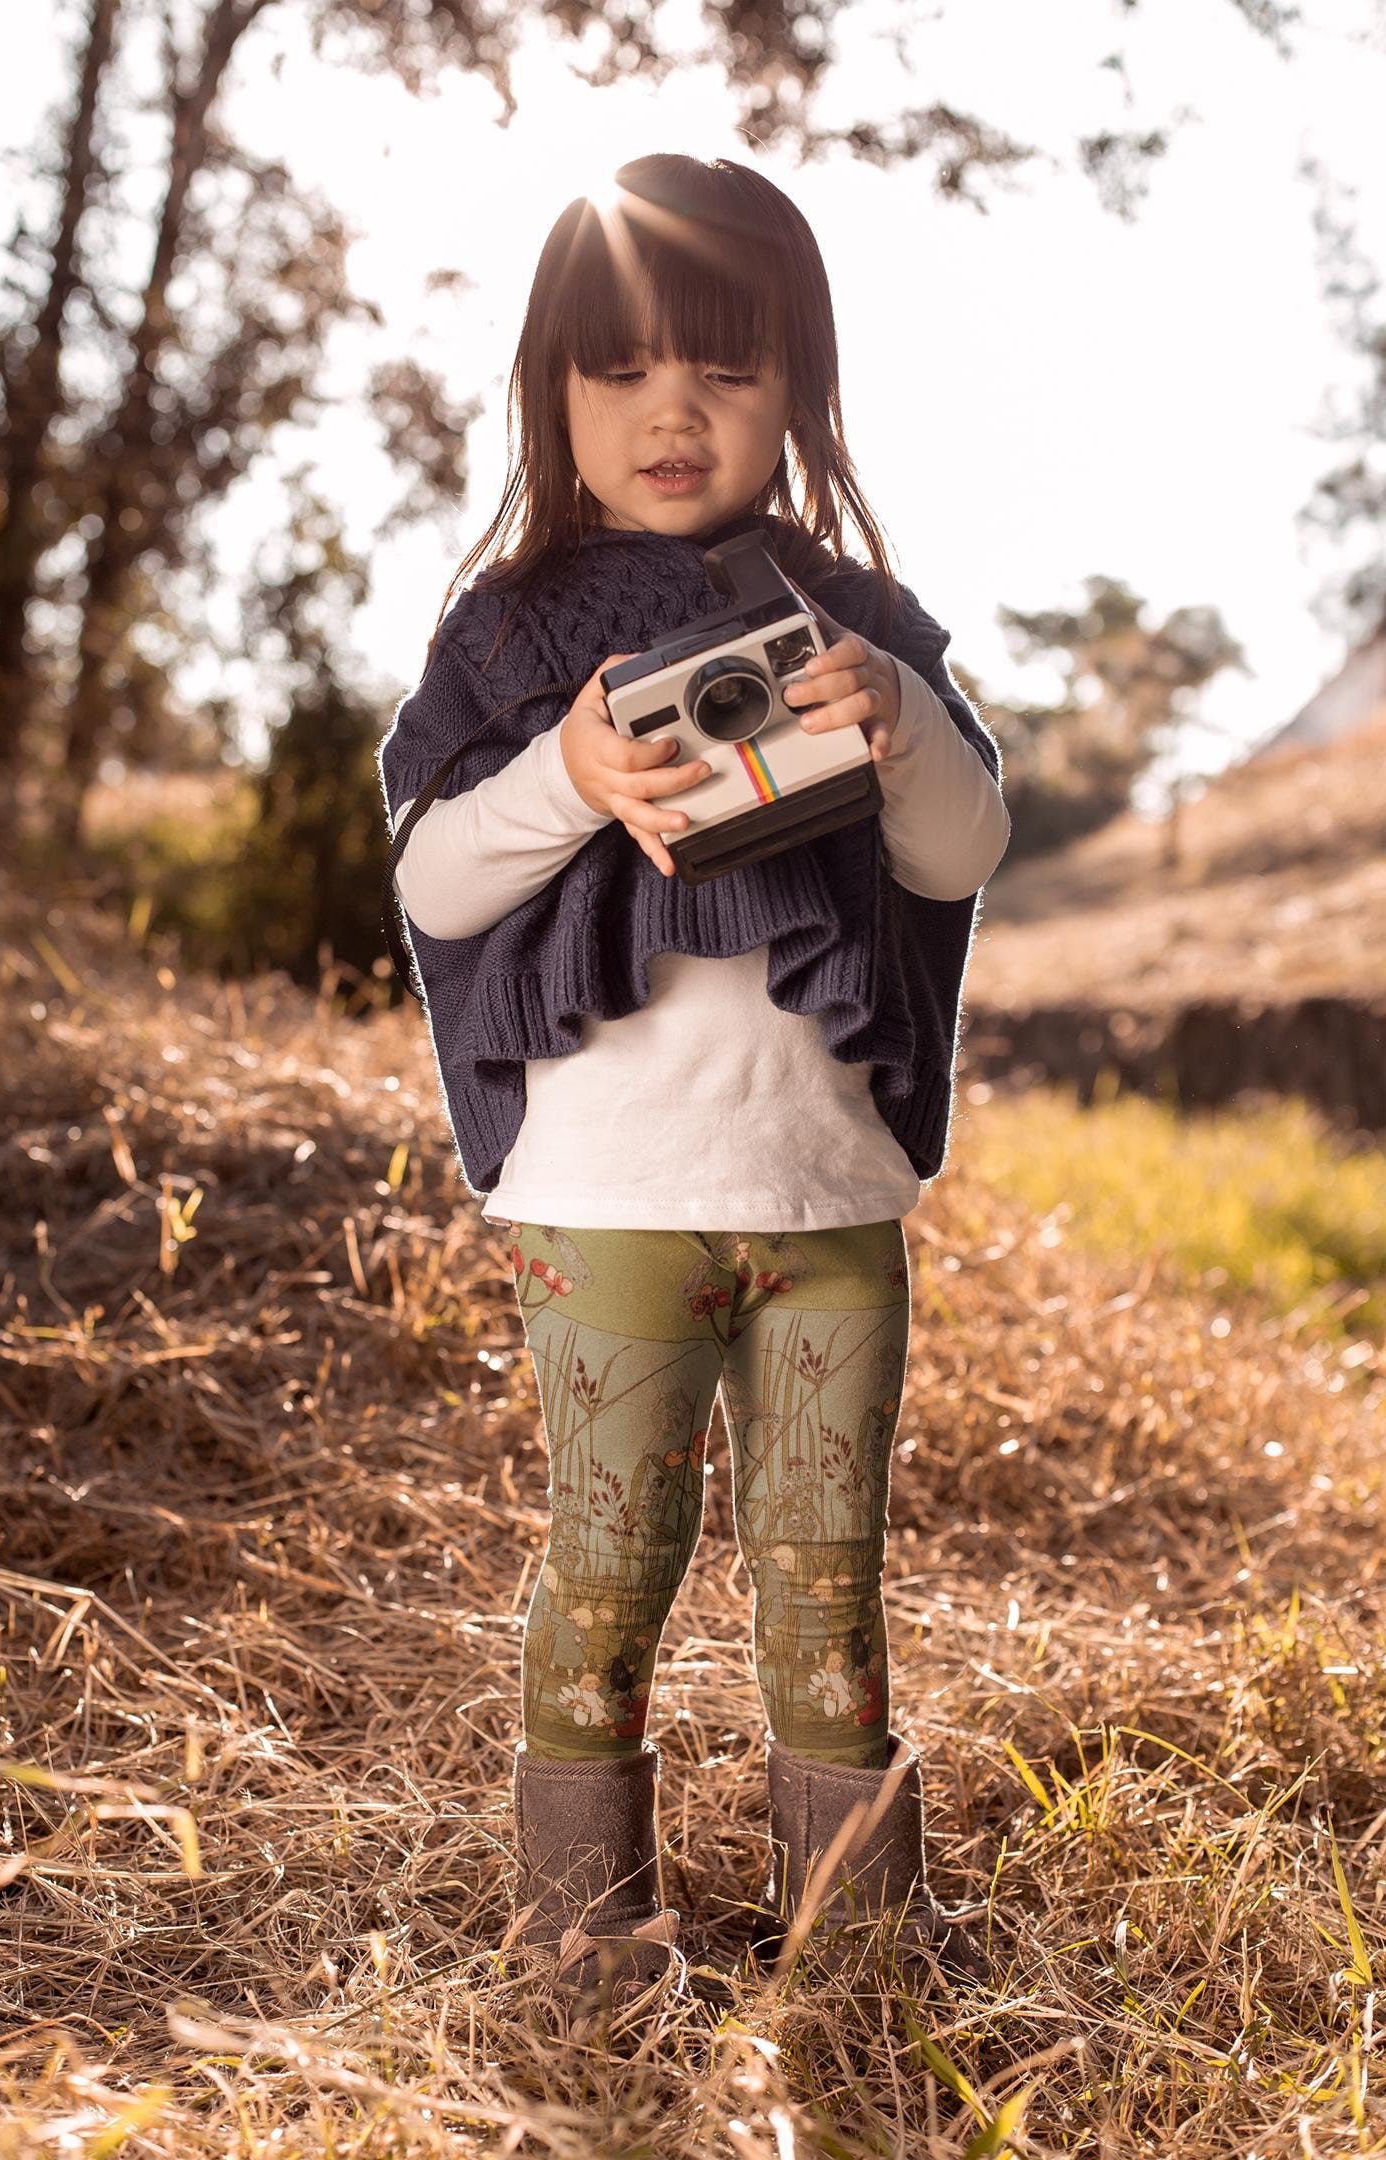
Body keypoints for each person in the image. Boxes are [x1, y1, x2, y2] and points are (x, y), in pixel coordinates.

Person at [376, 153, 1011, 2027]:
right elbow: (431, 882)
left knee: (827, 1583)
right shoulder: (512, 633)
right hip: (612, 1196)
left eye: (728, 371)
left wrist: (895, 728)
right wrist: (576, 773)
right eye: (624, 370)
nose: (674, 411)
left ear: (796, 391)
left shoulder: (855, 617)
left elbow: (964, 854)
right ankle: (584, 1951)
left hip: (828, 1203)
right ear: (551, 393)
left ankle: (863, 1956)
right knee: (610, 1569)